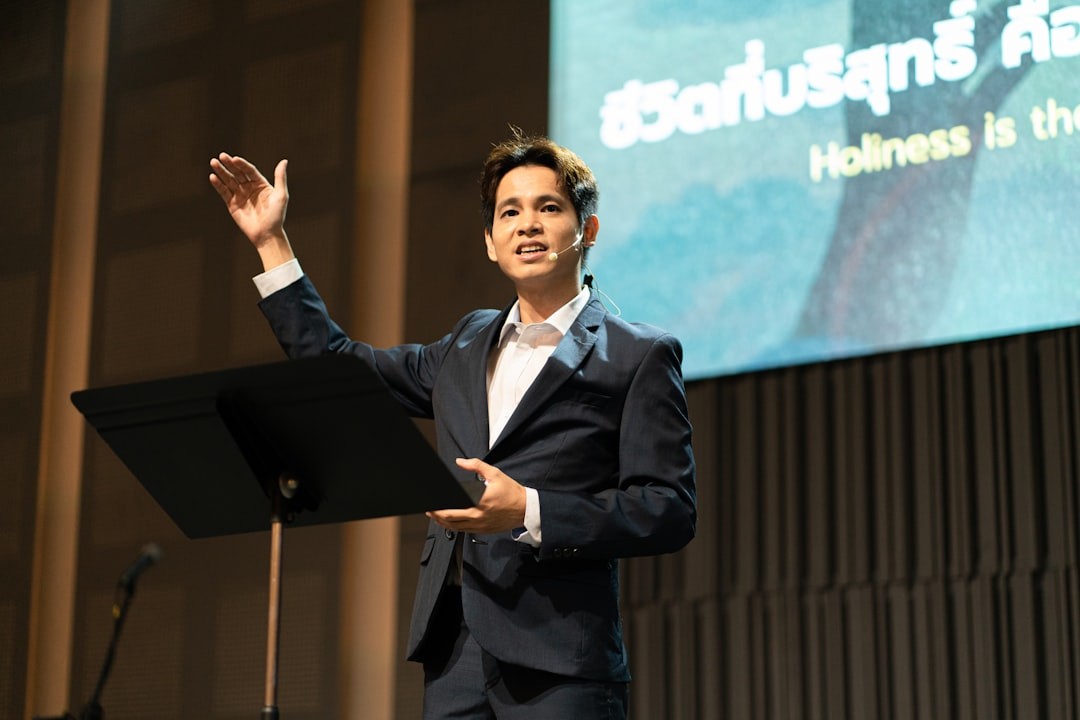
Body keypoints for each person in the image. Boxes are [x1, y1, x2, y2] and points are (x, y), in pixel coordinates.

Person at [208, 132, 696, 719]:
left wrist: (530, 510)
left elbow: (667, 508)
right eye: (508, 212)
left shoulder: (638, 354)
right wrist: (272, 244)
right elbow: (339, 369)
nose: (527, 225)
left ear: (586, 230)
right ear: (490, 242)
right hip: (454, 648)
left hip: (561, 660)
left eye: (549, 207)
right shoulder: (466, 342)